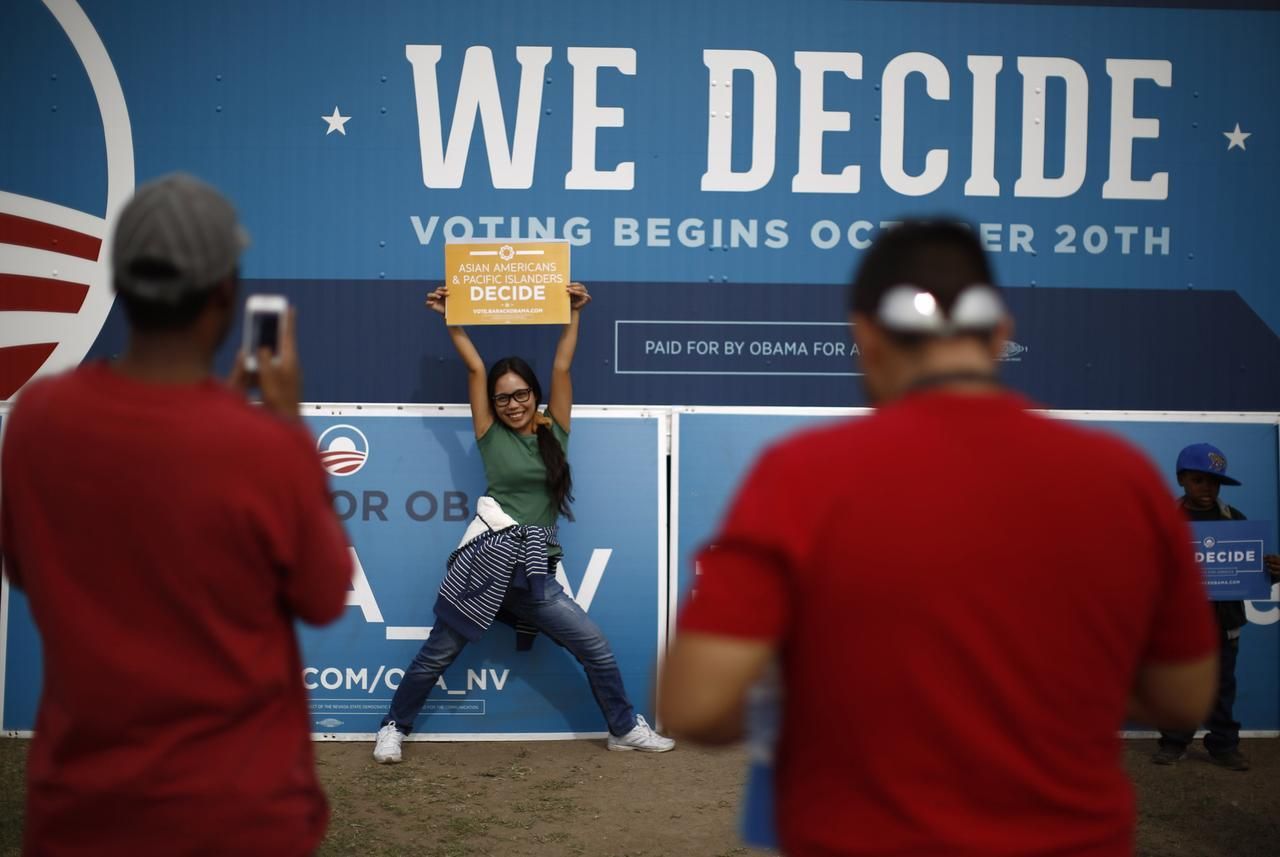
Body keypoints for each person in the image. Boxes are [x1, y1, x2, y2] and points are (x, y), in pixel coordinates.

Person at [659, 220, 1219, 857]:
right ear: (1000, 333)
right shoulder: (1124, 479)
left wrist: (816, 691)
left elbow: (697, 703)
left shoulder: (803, 473)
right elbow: (1184, 696)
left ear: (865, 338)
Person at [0, 173, 353, 856]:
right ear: (225, 293)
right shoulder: (266, 448)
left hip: (82, 815)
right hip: (240, 818)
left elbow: (25, 567)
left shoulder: (38, 419)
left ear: (122, 285)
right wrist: (283, 422)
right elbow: (323, 594)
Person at [371, 282, 673, 763]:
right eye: (503, 398)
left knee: (596, 648)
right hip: (486, 566)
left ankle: (623, 728)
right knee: (437, 655)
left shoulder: (556, 431)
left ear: (534, 394)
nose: (513, 404)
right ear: (493, 403)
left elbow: (562, 366)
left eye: (521, 394)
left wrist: (574, 313)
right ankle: (393, 727)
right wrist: (450, 315)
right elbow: (473, 364)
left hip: (536, 576)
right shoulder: (489, 434)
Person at [1152, 443, 1280, 771]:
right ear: (1181, 479)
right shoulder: (1164, 519)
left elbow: (1254, 571)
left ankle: (1223, 745)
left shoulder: (1234, 519)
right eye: (1199, 480)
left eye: (1215, 482)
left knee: (1222, 687)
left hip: (1225, 624)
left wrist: (1272, 570)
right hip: (1179, 624)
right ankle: (1174, 742)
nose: (1208, 488)